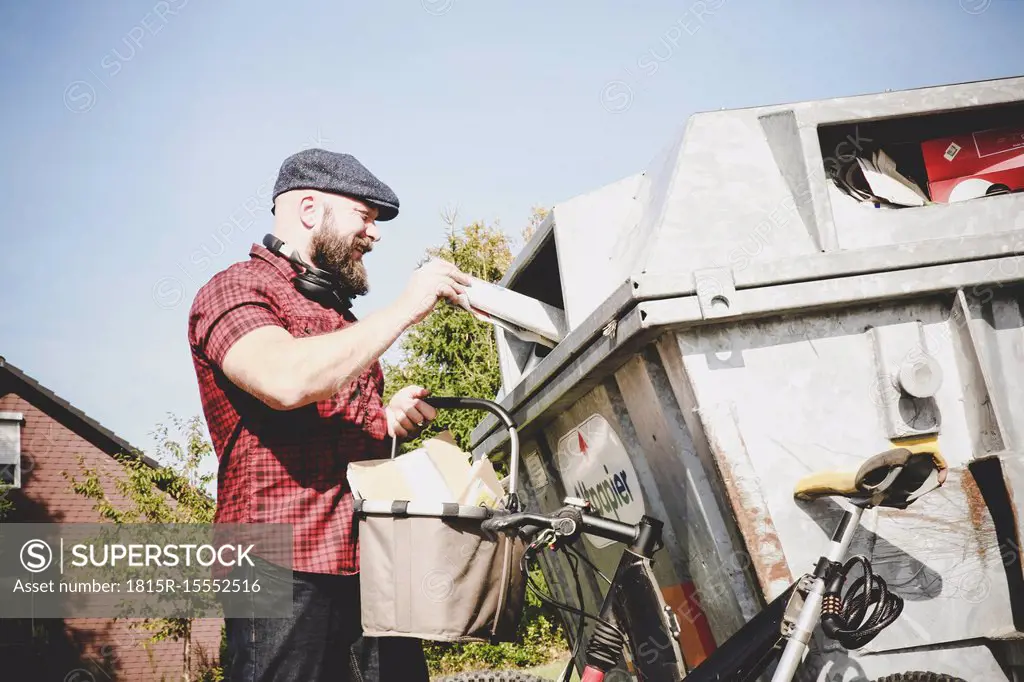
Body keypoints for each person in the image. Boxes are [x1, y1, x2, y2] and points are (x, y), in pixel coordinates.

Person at [187, 148, 472, 682]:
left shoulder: (339, 317)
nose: (376, 233)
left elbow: (331, 423)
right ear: (311, 209)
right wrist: (407, 308)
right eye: (364, 216)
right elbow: (284, 379)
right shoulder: (236, 288)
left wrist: (386, 420)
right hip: (277, 565)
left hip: (369, 563)